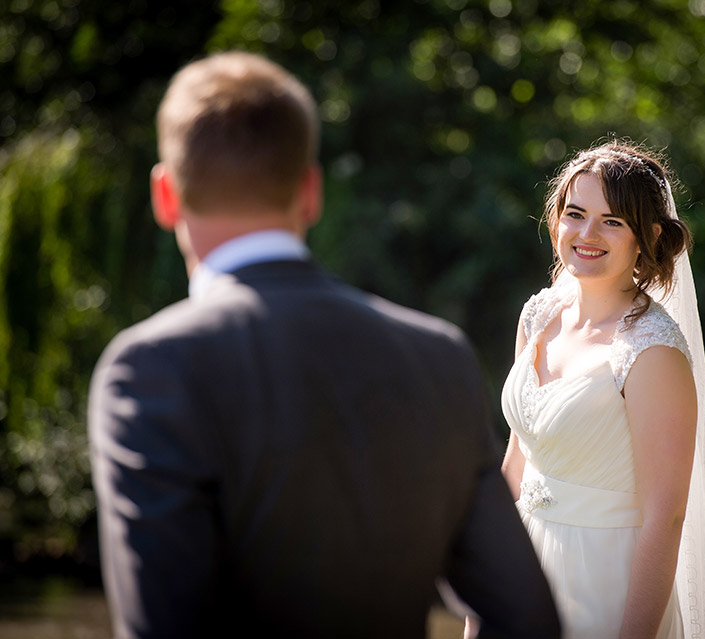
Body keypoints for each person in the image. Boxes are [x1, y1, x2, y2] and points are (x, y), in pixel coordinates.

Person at [87, 51, 560, 639]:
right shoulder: (436, 355)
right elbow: (527, 617)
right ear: (310, 192)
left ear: (165, 195)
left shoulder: (151, 369)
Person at [499, 140, 705, 638]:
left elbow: (666, 516)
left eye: (612, 221)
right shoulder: (538, 316)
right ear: (555, 221)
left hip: (603, 582)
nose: (587, 233)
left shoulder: (653, 350)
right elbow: (514, 467)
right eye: (575, 213)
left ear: (646, 237)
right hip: (520, 574)